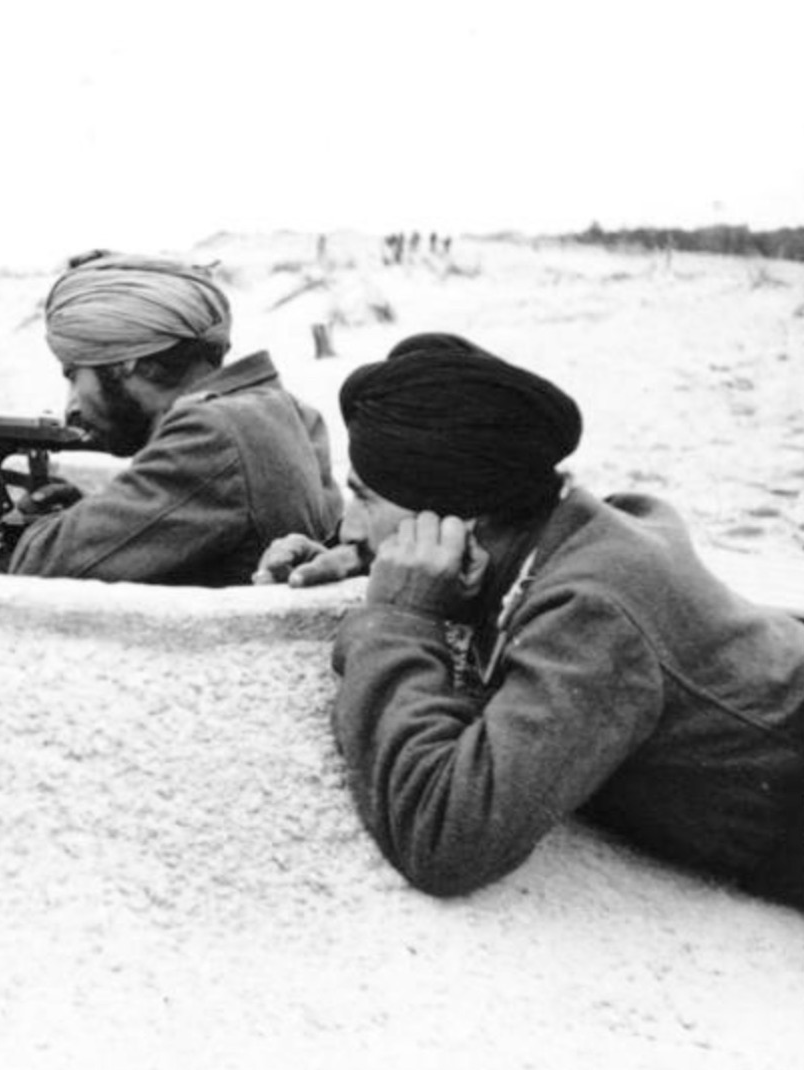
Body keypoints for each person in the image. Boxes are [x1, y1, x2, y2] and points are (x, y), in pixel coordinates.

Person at [254, 332, 804, 910]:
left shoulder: (592, 611)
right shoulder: (571, 524)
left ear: (458, 519)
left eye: (364, 500)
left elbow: (445, 839)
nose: (351, 525)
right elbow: (506, 564)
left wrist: (400, 616)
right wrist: (365, 558)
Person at [7, 251, 342, 586]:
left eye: (73, 375)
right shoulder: (284, 410)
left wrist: (44, 522)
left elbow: (39, 569)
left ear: (125, 362)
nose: (73, 405)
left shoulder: (210, 436)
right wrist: (89, 519)